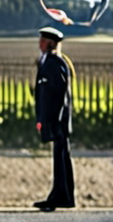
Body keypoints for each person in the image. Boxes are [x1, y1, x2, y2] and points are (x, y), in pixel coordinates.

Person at [34, 26, 74, 212]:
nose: (39, 43)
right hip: (54, 119)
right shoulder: (49, 62)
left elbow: (58, 94)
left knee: (61, 157)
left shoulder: (54, 63)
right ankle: (61, 195)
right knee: (60, 156)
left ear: (50, 43)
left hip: (57, 120)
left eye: (43, 40)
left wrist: (51, 120)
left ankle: (61, 196)